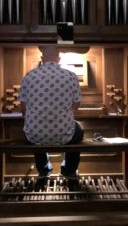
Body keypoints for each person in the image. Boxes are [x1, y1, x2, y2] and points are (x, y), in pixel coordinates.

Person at [19, 45, 84, 180]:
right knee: (79, 130)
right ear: (59, 59)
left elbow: (23, 109)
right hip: (64, 134)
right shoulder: (71, 76)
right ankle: (68, 171)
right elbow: (77, 105)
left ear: (42, 59)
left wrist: (41, 114)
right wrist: (61, 112)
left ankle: (43, 170)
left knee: (34, 128)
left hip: (34, 135)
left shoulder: (29, 76)